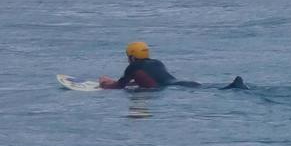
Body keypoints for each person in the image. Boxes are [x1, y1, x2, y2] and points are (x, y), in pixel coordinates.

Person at [99, 41, 246, 90]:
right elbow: (151, 79)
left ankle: (232, 87)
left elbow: (119, 86)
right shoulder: (157, 62)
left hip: (174, 88)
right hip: (185, 83)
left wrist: (104, 84)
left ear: (131, 56)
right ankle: (233, 86)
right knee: (211, 89)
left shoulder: (133, 67)